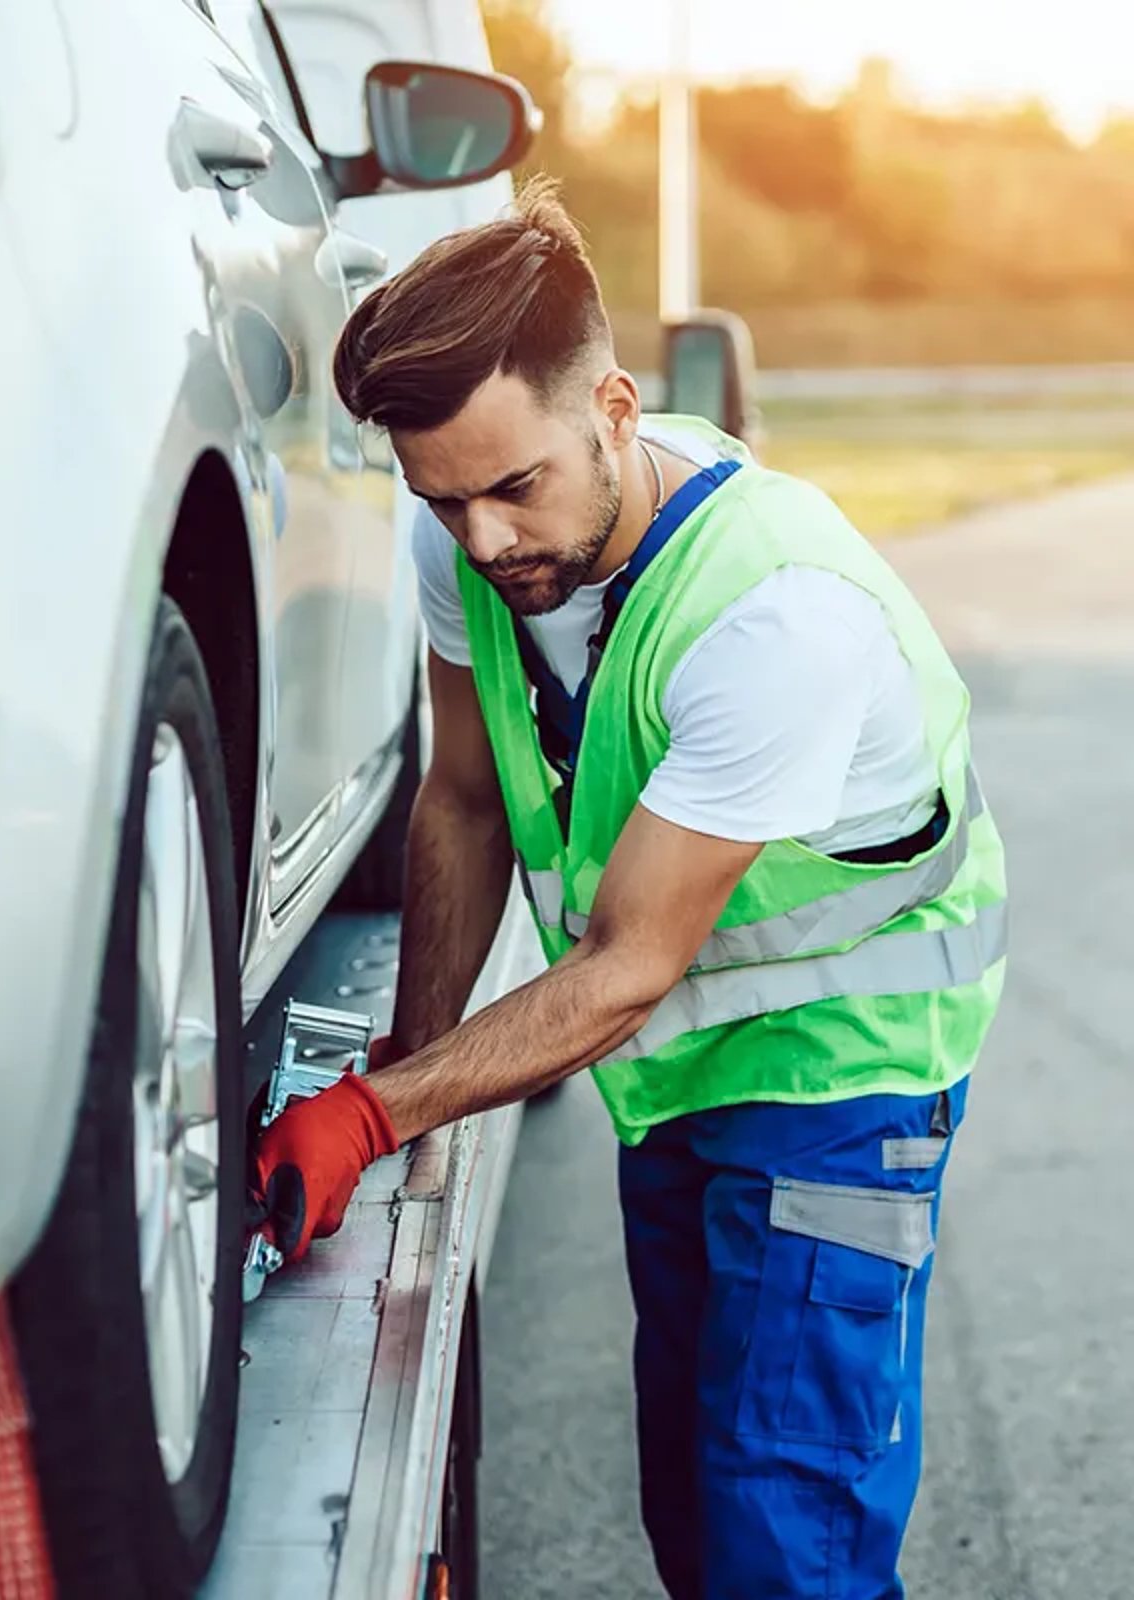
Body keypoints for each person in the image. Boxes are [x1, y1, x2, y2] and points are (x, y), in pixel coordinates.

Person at [249, 180, 1007, 1599]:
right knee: (693, 1522)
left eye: (514, 487)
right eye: (443, 497)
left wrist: (370, 1111)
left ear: (610, 406)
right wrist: (414, 1080)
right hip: (679, 1085)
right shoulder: (469, 549)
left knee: (782, 1548)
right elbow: (466, 803)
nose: (483, 542)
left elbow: (627, 963)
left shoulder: (771, 615)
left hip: (842, 1090)